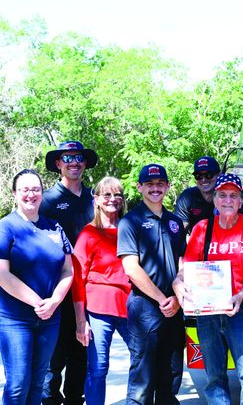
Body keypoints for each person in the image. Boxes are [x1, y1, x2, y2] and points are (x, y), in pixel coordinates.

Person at [173, 173, 243, 405]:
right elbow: (187, 266)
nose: (227, 200)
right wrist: (179, 281)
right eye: (222, 195)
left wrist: (242, 293)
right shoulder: (203, 229)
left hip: (240, 309)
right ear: (214, 199)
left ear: (241, 200)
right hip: (208, 313)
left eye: (233, 195)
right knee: (214, 377)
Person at [0, 169, 73, 404]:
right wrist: (39, 303)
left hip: (50, 318)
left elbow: (67, 270)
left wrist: (54, 301)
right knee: (18, 384)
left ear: (42, 193)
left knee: (38, 382)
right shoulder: (6, 227)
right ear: (14, 193)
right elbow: (2, 274)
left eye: (36, 189)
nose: (31, 194)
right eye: (25, 189)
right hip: (14, 319)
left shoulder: (54, 227)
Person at [117, 163, 186, 404]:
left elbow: (182, 263)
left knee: (171, 373)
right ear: (140, 187)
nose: (155, 188)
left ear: (167, 186)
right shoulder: (130, 222)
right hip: (145, 308)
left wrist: (178, 298)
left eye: (160, 184)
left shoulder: (175, 222)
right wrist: (161, 299)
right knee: (143, 378)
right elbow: (131, 268)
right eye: (149, 184)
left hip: (175, 308)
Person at [41, 140, 98, 405]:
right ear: (58, 164)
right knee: (54, 354)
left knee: (81, 351)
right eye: (68, 158)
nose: (74, 162)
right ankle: (50, 400)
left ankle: (76, 399)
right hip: (56, 286)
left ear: (85, 163)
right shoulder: (47, 201)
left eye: (78, 157)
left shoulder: (94, 199)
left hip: (89, 289)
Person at [71, 176, 131, 405]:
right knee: (98, 367)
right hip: (98, 310)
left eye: (117, 195)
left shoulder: (130, 228)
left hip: (129, 307)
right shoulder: (88, 234)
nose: (112, 199)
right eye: (107, 194)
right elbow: (78, 279)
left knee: (142, 361)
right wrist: (80, 321)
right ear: (96, 199)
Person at [174, 156, 220, 234]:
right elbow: (180, 231)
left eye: (209, 175)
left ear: (219, 175)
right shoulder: (187, 196)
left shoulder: (228, 197)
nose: (203, 179)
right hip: (197, 243)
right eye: (198, 176)